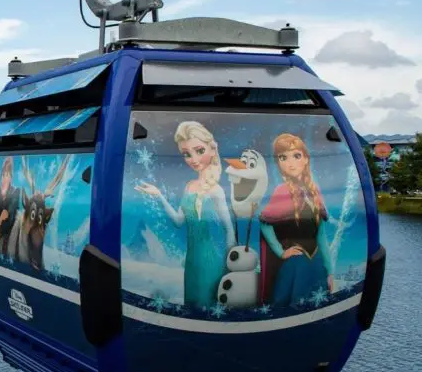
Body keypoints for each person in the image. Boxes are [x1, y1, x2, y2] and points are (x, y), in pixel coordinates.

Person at [135, 121, 235, 310]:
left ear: (212, 150)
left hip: (210, 262)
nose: (193, 159)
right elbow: (178, 221)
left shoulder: (216, 191)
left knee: (206, 306)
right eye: (187, 154)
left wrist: (229, 267)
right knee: (192, 305)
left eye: (199, 150)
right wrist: (159, 195)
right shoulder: (189, 186)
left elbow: (229, 230)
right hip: (192, 261)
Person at [258, 133, 334, 307]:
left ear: (306, 159)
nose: (290, 163)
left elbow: (321, 236)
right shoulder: (282, 191)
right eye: (283, 157)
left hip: (316, 264)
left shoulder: (314, 192)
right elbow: (265, 222)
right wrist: (281, 252)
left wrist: (329, 271)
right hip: (294, 266)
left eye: (296, 155)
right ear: (278, 163)